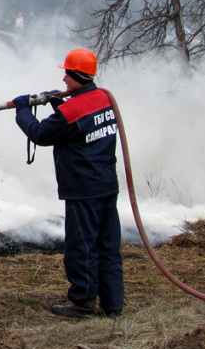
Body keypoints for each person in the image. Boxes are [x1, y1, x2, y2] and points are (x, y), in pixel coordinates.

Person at [12, 48, 124, 318]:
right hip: (107, 184)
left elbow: (40, 133)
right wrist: (56, 103)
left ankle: (82, 304)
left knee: (82, 247)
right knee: (107, 246)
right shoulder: (104, 98)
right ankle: (112, 305)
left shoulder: (72, 109)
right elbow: (79, 125)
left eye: (66, 74)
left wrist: (22, 110)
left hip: (83, 187)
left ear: (76, 74)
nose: (63, 81)